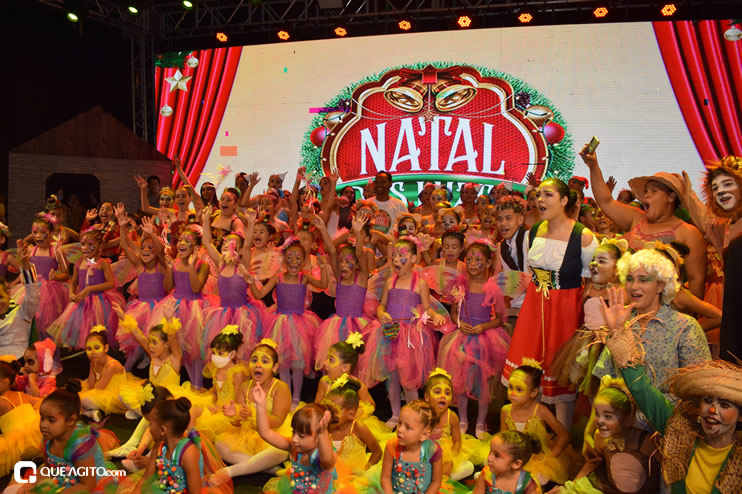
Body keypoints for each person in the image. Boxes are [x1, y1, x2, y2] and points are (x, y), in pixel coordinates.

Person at [599, 286, 742, 493]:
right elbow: (641, 388)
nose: (712, 411)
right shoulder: (680, 431)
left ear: (739, 415)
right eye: (708, 401)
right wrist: (619, 333)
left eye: (724, 405)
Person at [501, 178, 597, 429]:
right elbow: (529, 273)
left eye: (548, 194)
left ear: (564, 200)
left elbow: (593, 280)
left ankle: (563, 434)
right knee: (530, 367)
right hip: (535, 306)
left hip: (565, 309)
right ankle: (530, 429)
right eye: (539, 194)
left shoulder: (583, 236)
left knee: (560, 369)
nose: (540, 200)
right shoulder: (533, 231)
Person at [580, 147, 707, 298]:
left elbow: (696, 281)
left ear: (671, 197)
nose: (646, 196)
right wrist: (593, 167)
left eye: (654, 191)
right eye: (646, 191)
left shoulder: (689, 233)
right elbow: (606, 201)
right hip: (621, 304)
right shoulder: (636, 217)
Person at [592, 248, 711, 399]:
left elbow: (698, 387)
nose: (634, 286)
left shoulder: (685, 327)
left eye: (643, 279)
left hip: (667, 412)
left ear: (660, 286)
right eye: (629, 279)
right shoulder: (623, 324)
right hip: (622, 411)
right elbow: (605, 378)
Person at [365, 237, 447, 428]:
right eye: (394, 255)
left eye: (401, 255)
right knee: (392, 378)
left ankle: (413, 416)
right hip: (389, 333)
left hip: (410, 337)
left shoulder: (420, 284)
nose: (396, 260)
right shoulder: (390, 282)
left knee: (408, 380)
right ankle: (395, 414)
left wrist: (436, 315)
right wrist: (381, 313)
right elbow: (382, 305)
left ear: (413, 258)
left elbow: (427, 308)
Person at [438, 239, 510, 438]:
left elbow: (500, 318)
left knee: (482, 383)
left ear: (488, 263)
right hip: (462, 337)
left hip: (485, 340)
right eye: (469, 259)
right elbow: (454, 311)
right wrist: (459, 323)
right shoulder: (460, 285)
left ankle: (481, 422)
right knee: (460, 380)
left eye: (478, 259)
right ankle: (462, 419)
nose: (472, 263)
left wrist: (483, 326)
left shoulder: (492, 288)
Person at [246, 237, 326, 407]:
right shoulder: (278, 278)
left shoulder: (304, 278)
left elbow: (323, 284)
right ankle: (285, 396)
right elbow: (259, 295)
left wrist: (324, 266)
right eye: (290, 257)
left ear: (304, 261)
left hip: (300, 325)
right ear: (284, 260)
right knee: (282, 364)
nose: (294, 261)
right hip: (279, 324)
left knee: (297, 364)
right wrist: (252, 282)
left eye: (298, 258)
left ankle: (296, 397)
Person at [4, 381, 119, 493]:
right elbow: (48, 469)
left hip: (85, 487)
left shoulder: (80, 445)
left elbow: (87, 485)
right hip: (62, 481)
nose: (43, 425)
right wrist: (33, 484)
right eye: (42, 418)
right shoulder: (47, 439)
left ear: (71, 420)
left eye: (51, 420)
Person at [555, 376, 659, 494]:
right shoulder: (600, 437)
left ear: (629, 419)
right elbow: (594, 462)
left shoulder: (646, 442)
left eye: (608, 416)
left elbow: (667, 474)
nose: (599, 421)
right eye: (597, 414)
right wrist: (570, 487)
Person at [210, 339, 291, 485]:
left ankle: (231, 471)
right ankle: (269, 469)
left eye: (264, 361)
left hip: (272, 434)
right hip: (246, 434)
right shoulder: (244, 387)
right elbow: (237, 423)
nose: (258, 365)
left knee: (281, 450)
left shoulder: (281, 388)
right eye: (254, 360)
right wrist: (235, 415)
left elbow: (278, 420)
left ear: (274, 367)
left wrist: (253, 415)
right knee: (220, 445)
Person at [46, 228, 124, 350]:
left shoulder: (103, 263)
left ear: (100, 247)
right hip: (82, 303)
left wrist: (89, 289)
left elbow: (110, 283)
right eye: (83, 244)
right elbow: (73, 283)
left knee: (98, 332)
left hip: (99, 303)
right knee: (82, 331)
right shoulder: (79, 263)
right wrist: (71, 293)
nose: (85, 248)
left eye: (90, 244)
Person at [501, 364, 575, 487]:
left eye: (519, 389)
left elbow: (564, 436)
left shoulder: (540, 411)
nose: (512, 393)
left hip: (538, 460)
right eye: (510, 387)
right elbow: (502, 439)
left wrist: (549, 458)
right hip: (515, 457)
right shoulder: (505, 411)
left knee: (537, 479)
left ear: (534, 392)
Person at [257, 394, 337, 494]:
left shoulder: (321, 456)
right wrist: (260, 406)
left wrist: (322, 434)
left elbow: (327, 460)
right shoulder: (294, 447)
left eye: (301, 436)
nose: (294, 439)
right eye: (294, 432)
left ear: (318, 438)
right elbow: (266, 433)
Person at [423, 369, 477, 481]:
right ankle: (432, 476)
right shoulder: (422, 414)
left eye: (447, 393)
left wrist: (450, 461)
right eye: (437, 392)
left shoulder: (452, 416)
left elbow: (457, 441)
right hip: (424, 450)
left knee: (469, 467)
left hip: (445, 452)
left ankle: (438, 477)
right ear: (427, 397)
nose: (443, 396)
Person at [379, 400, 443, 494]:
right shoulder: (391, 446)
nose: (400, 430)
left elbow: (436, 482)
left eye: (408, 427)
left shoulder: (432, 450)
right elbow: (385, 478)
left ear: (424, 435)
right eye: (400, 423)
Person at [0, 359, 42, 478]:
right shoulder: (21, 395)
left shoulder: (1, 402)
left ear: (4, 383)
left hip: (19, 448)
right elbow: (43, 401)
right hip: (38, 439)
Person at [0, 243, 40, 358]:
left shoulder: (22, 313)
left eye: (0, 297)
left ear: (8, 294)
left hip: (19, 362)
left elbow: (32, 294)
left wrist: (26, 265)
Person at [495, 196, 530, 326]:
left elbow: (530, 279)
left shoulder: (528, 238)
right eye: (500, 219)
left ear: (520, 220)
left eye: (508, 218)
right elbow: (513, 284)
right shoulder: (503, 246)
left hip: (536, 302)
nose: (503, 223)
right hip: (518, 303)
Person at [473, 431, 541, 494]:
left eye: (497, 455)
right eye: (490, 451)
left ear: (516, 464)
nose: (489, 457)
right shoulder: (486, 473)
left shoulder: (526, 483)